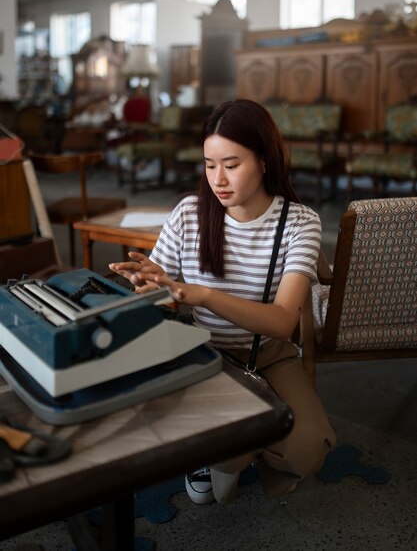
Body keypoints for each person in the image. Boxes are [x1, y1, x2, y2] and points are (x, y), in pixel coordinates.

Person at [109, 98, 336, 505]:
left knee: (308, 450)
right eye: (209, 164)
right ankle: (227, 449)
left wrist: (200, 293)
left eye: (232, 165)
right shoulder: (189, 213)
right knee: (228, 449)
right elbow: (165, 294)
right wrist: (148, 285)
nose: (218, 179)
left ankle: (232, 448)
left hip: (268, 352)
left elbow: (284, 322)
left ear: (265, 161)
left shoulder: (299, 222)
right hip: (202, 351)